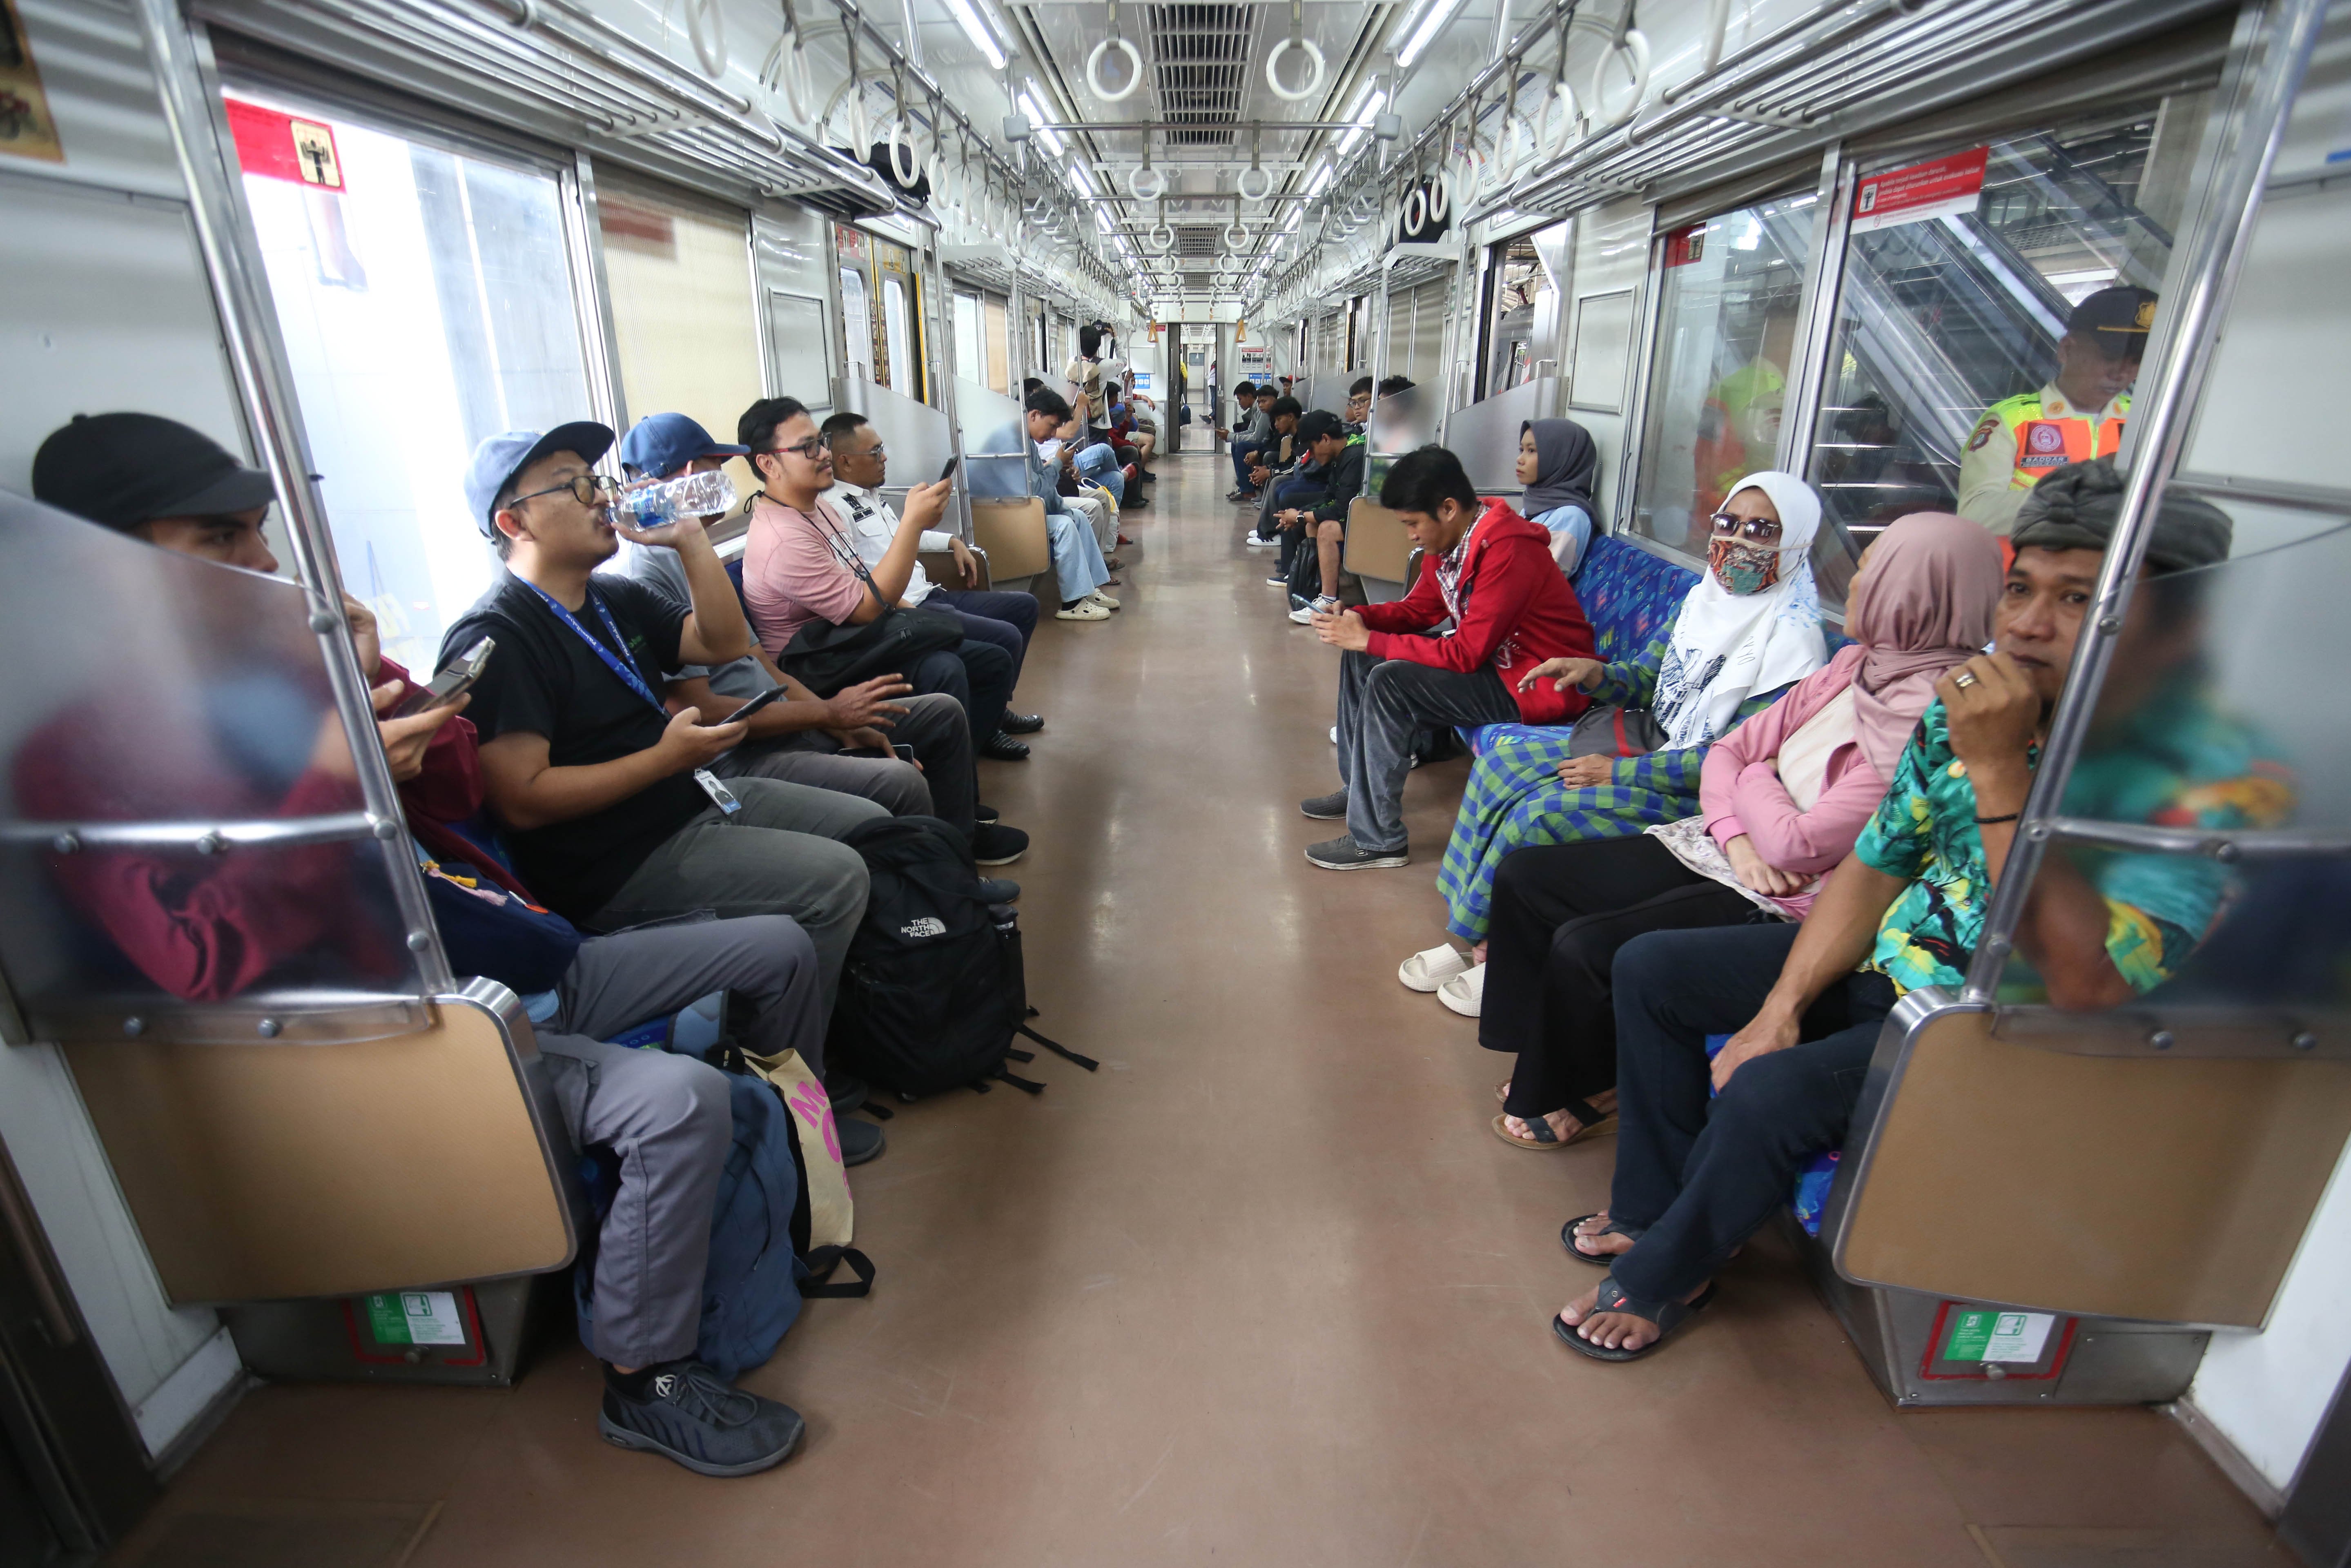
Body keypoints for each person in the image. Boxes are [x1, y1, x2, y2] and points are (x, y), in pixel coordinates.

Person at [28, 412, 827, 1474]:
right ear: (109, 564)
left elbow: (455, 791)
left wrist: (385, 691)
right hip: (407, 1022)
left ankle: (761, 1165)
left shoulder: (274, 680)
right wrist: (336, 777)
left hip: (508, 955)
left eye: (261, 534)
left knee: (775, 946)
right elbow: (205, 964)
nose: (263, 566)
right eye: (222, 541)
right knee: (673, 1104)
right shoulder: (84, 759)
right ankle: (647, 1378)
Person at [1559, 461, 2263, 1360]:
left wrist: (2002, 772)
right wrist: (1779, 1010)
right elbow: (1876, 865)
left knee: (1770, 1096)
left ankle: (1673, 1273)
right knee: (1652, 968)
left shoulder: (2201, 779)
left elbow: (2083, 981)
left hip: (2003, 1030)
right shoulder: (1968, 706)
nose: (2026, 625)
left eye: (2077, 600)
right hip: (1897, 972)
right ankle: (1655, 1214)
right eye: (2019, 590)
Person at [1470, 514, 1999, 1152]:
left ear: (1923, 595)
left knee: (1590, 946)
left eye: (1874, 571)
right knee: (1530, 875)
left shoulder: (1939, 716)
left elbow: (1799, 845)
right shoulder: (1856, 666)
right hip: (1731, 844)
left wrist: (1756, 783)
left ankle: (1584, 1086)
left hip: (1786, 888)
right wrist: (1742, 820)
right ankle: (1546, 1052)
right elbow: (1729, 752)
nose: (1854, 584)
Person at [441, 422, 880, 1011]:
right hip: (616, 863)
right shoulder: (500, 636)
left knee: (872, 823)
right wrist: (662, 760)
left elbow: (722, 643)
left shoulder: (611, 598)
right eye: (571, 487)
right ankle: (796, 1075)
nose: (600, 496)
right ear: (513, 524)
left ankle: (881, 1004)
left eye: (593, 480)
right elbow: (523, 800)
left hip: (690, 799)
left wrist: (691, 542)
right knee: (837, 876)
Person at [1426, 472, 1828, 1014]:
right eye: (1727, 524)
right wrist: (1594, 674)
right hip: (1655, 745)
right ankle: (1468, 931)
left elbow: (1728, 760)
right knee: (1501, 765)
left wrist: (1616, 774)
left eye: (1761, 531)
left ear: (1795, 542)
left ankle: (1498, 954)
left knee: (1542, 815)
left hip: (1700, 792)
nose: (1736, 543)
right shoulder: (1703, 601)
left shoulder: (1793, 648)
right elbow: (1648, 678)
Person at [612, 412, 994, 830]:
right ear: (684, 477)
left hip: (791, 709)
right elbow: (700, 709)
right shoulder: (650, 574)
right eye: (711, 470)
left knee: (944, 711)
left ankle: (961, 846)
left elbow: (761, 663)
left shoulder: (698, 550)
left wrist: (831, 720)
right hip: (745, 750)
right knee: (902, 774)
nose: (720, 482)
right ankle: (947, 880)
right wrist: (827, 715)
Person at [1299, 445, 1597, 871]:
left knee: (1390, 681)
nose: (1412, 535)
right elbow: (1420, 611)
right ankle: (1357, 792)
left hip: (1539, 684)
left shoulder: (1508, 550)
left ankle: (1379, 840)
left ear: (1449, 508)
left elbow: (1465, 653)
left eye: (1414, 523)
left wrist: (1371, 640)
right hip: (1499, 667)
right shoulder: (1454, 541)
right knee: (1362, 657)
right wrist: (1358, 617)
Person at [736, 398, 1028, 795]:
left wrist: (917, 617)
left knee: (990, 658)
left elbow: (862, 584)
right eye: (809, 449)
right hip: (820, 665)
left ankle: (961, 772)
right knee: (944, 667)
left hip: (852, 642)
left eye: (821, 443)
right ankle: (955, 803)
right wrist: (912, 522)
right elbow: (867, 605)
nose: (824, 455)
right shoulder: (782, 538)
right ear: (768, 464)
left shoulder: (819, 510)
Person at [817, 410, 1046, 758]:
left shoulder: (872, 496)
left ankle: (993, 710)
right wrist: (902, 608)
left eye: (882, 449)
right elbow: (854, 581)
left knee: (1024, 607)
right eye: (875, 452)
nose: (885, 458)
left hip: (930, 595)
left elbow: (903, 539)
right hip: (908, 609)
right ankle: (987, 731)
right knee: (1004, 638)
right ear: (845, 462)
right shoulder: (836, 508)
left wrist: (952, 542)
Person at [1957, 286, 2155, 536]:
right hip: (2023, 572)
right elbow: (1976, 515)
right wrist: (2080, 485)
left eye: (2137, 360)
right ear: (2067, 350)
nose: (2122, 372)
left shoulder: (2144, 420)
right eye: (2110, 356)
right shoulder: (2012, 420)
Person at [1021, 387, 1121, 622]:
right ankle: (1072, 603)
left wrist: (1065, 510)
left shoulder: (1028, 443)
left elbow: (1043, 489)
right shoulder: (1017, 443)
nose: (1054, 433)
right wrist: (1057, 464)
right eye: (1052, 426)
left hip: (1026, 508)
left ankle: (1090, 589)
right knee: (1065, 525)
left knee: (1077, 517)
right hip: (1009, 514)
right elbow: (1036, 490)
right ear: (1034, 415)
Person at [1277, 410, 1367, 624]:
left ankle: (1328, 601)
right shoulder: (1341, 457)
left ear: (1325, 439)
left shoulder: (1354, 457)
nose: (1312, 457)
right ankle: (1316, 590)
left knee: (1326, 529)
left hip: (1373, 522)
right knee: (1313, 526)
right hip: (1358, 517)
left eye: (1312, 449)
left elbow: (1341, 508)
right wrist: (1299, 515)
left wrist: (1300, 516)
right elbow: (1329, 497)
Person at [1517, 418, 1602, 578]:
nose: (1520, 459)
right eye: (1521, 450)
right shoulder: (1535, 505)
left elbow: (1536, 577)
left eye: (1531, 451)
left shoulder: (1571, 516)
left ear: (1560, 458)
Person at [1240, 395, 1306, 550]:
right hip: (1302, 472)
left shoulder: (1305, 435)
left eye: (1278, 420)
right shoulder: (1294, 436)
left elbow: (1299, 466)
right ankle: (1266, 526)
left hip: (1309, 478)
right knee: (1273, 472)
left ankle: (1270, 533)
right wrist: (1269, 470)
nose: (1275, 425)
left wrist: (1271, 472)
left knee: (1277, 480)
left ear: (1290, 417)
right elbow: (1291, 461)